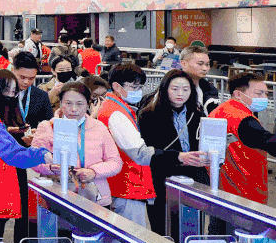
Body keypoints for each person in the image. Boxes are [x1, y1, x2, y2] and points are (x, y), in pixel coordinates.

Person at [0, 69, 53, 240]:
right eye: (7, 90)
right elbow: (12, 153)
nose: (10, 96)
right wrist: (42, 154)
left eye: (13, 92)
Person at [137, 70, 212, 234]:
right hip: (162, 179)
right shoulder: (148, 114)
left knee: (192, 229)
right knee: (163, 229)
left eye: (185, 89)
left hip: (193, 178)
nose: (180, 94)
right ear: (165, 89)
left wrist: (207, 156)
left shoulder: (197, 113)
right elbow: (147, 152)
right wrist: (178, 157)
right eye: (175, 89)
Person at [31, 81, 123, 207]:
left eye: (80, 104)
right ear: (60, 103)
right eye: (68, 103)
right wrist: (51, 168)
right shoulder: (48, 127)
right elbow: (34, 160)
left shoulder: (99, 127)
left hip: (94, 197)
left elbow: (115, 162)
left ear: (88, 104)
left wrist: (93, 172)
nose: (74, 109)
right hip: (57, 196)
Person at [96, 63, 155, 226]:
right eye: (134, 87)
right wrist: (173, 157)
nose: (138, 91)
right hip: (127, 186)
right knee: (132, 236)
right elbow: (139, 153)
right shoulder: (116, 113)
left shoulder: (113, 107)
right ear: (116, 86)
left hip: (122, 185)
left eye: (140, 87)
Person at [210, 73, 276, 205]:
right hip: (244, 191)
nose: (264, 98)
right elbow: (271, 144)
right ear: (238, 94)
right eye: (259, 93)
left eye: (266, 94)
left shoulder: (222, 110)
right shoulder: (243, 120)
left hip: (223, 184)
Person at [179, 45, 220, 114]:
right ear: (183, 64)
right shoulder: (170, 87)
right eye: (200, 64)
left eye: (207, 64)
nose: (205, 69)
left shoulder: (211, 90)